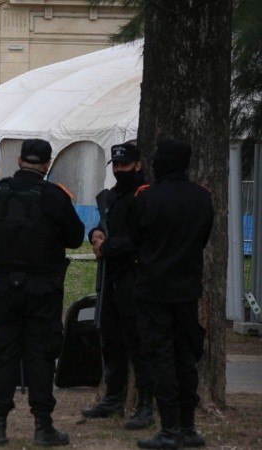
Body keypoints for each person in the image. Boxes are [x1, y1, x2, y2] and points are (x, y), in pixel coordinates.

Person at [0, 139, 84, 447]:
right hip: (41, 289)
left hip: (3, 286)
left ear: (19, 158)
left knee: (4, 355)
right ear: (48, 164)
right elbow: (75, 238)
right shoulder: (54, 197)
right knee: (40, 356)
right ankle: (43, 425)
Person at [128, 138, 213, 449]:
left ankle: (169, 429)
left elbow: (135, 237)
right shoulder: (201, 198)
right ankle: (188, 427)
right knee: (185, 357)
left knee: (161, 357)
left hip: (154, 290)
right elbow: (202, 238)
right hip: (187, 289)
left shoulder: (148, 198)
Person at [82, 142, 155, 430]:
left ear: (138, 165)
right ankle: (113, 397)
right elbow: (102, 224)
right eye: (116, 165)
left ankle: (145, 405)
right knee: (112, 340)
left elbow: (140, 240)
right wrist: (96, 235)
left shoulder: (143, 196)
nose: (119, 169)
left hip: (134, 278)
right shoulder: (112, 196)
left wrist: (108, 245)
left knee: (138, 344)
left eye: (125, 165)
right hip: (111, 277)